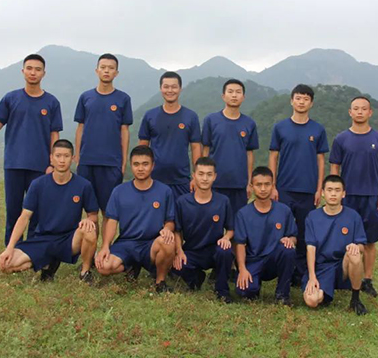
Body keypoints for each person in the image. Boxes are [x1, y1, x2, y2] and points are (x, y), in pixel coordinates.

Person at [0, 53, 62, 245]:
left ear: (44, 73)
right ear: (22, 71)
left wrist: (53, 163)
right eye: (29, 68)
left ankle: (32, 252)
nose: (33, 73)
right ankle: (11, 251)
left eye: (38, 69)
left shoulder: (51, 102)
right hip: (14, 164)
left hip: (40, 167)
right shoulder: (11, 98)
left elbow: (54, 135)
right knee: (13, 212)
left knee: (37, 213)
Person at [0, 140, 99, 282]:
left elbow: (93, 215)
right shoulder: (38, 184)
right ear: (51, 158)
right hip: (42, 238)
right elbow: (24, 217)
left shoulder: (84, 185)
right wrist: (10, 247)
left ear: (73, 158)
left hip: (68, 239)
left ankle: (85, 272)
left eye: (66, 156)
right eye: (58, 156)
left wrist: (88, 220)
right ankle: (47, 262)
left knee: (89, 230)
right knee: (5, 265)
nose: (62, 160)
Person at [329, 96, 378, 298]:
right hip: (347, 197)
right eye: (355, 108)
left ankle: (367, 279)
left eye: (363, 109)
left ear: (370, 112)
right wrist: (335, 192)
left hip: (371, 197)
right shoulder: (341, 139)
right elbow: (335, 167)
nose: (359, 112)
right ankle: (344, 277)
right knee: (343, 237)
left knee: (369, 241)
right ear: (350, 112)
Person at [268, 84, 329, 284]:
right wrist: (272, 185)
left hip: (308, 190)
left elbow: (321, 161)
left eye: (306, 99)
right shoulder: (280, 127)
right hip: (284, 188)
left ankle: (300, 273)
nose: (301, 102)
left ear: (311, 103)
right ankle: (280, 269)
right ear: (291, 101)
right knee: (282, 230)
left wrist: (319, 188)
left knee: (304, 233)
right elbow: (273, 157)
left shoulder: (318, 129)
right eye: (298, 98)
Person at [95, 145, 176, 292]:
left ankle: (160, 281)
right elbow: (112, 221)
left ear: (153, 165)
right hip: (126, 243)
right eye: (136, 164)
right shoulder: (119, 191)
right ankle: (131, 266)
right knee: (104, 267)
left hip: (151, 244)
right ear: (131, 166)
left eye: (145, 164)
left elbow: (170, 221)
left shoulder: (165, 191)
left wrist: (167, 229)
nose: (140, 168)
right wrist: (105, 246)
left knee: (168, 242)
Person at [74, 53, 133, 230]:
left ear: (116, 73)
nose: (106, 71)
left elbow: (124, 131)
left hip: (111, 163)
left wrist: (123, 160)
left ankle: (106, 246)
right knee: (90, 212)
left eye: (111, 68)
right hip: (87, 161)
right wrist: (78, 155)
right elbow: (80, 127)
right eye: (103, 67)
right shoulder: (86, 97)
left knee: (109, 211)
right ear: (97, 70)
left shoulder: (123, 99)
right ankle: (91, 247)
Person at [303, 175, 368, 315]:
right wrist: (312, 277)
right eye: (329, 190)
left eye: (337, 190)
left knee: (355, 254)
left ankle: (355, 299)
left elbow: (362, 245)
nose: (333, 194)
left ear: (343, 194)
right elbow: (310, 248)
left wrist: (356, 247)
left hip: (342, 266)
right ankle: (324, 290)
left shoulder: (353, 216)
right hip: (321, 267)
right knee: (312, 300)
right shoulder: (312, 217)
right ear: (322, 192)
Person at [172, 157, 234, 303]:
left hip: (214, 250)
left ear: (215, 176)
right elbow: (177, 231)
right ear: (194, 175)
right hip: (192, 250)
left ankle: (222, 290)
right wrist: (179, 251)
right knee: (176, 265)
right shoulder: (182, 202)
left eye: (209, 174)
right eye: (201, 174)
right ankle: (196, 278)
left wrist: (226, 238)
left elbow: (231, 229)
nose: (205, 178)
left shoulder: (223, 201)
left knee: (225, 251)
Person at [234, 167, 297, 305]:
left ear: (273, 186)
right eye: (259, 185)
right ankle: (254, 285)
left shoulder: (284, 210)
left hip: (273, 259)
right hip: (253, 260)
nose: (263, 189)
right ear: (252, 187)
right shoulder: (243, 214)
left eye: (267, 184)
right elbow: (240, 244)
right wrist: (242, 269)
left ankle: (282, 294)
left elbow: (293, 236)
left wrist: (290, 240)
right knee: (245, 291)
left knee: (288, 250)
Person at [138, 71, 202, 198]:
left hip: (182, 180)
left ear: (180, 89)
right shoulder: (150, 116)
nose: (170, 90)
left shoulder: (191, 116)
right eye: (166, 87)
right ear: (161, 89)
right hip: (154, 179)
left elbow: (196, 147)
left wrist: (196, 176)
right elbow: (142, 148)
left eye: (174, 87)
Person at [202, 79, 259, 213]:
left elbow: (249, 154)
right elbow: (205, 150)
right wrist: (203, 178)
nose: (234, 95)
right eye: (230, 92)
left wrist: (249, 182)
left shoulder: (249, 123)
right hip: (215, 182)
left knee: (237, 221)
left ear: (243, 97)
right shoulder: (211, 120)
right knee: (214, 220)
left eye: (238, 92)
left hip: (239, 184)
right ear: (223, 96)